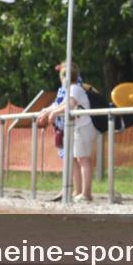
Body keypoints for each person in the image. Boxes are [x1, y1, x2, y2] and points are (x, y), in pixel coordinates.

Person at [37, 62, 96, 202]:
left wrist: (53, 113)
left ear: (65, 78)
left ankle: (86, 194)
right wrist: (48, 111)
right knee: (75, 160)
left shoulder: (75, 89)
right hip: (76, 128)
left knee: (84, 159)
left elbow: (68, 104)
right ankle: (78, 191)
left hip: (82, 127)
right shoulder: (71, 89)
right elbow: (60, 104)